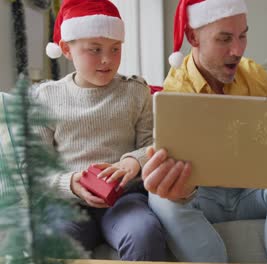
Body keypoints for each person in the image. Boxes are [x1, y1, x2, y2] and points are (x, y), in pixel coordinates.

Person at [141, 0, 267, 263]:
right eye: (225, 38)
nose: (238, 49)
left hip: (252, 191)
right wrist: (177, 188)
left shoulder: (254, 75)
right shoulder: (175, 90)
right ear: (193, 36)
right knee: (158, 197)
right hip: (201, 197)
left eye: (243, 35)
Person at [33, 0, 166, 260]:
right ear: (66, 49)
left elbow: (155, 143)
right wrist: (70, 183)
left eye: (115, 49)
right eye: (94, 50)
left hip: (125, 199)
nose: (107, 59)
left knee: (144, 232)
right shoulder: (45, 97)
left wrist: (133, 161)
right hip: (68, 203)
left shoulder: (136, 91)